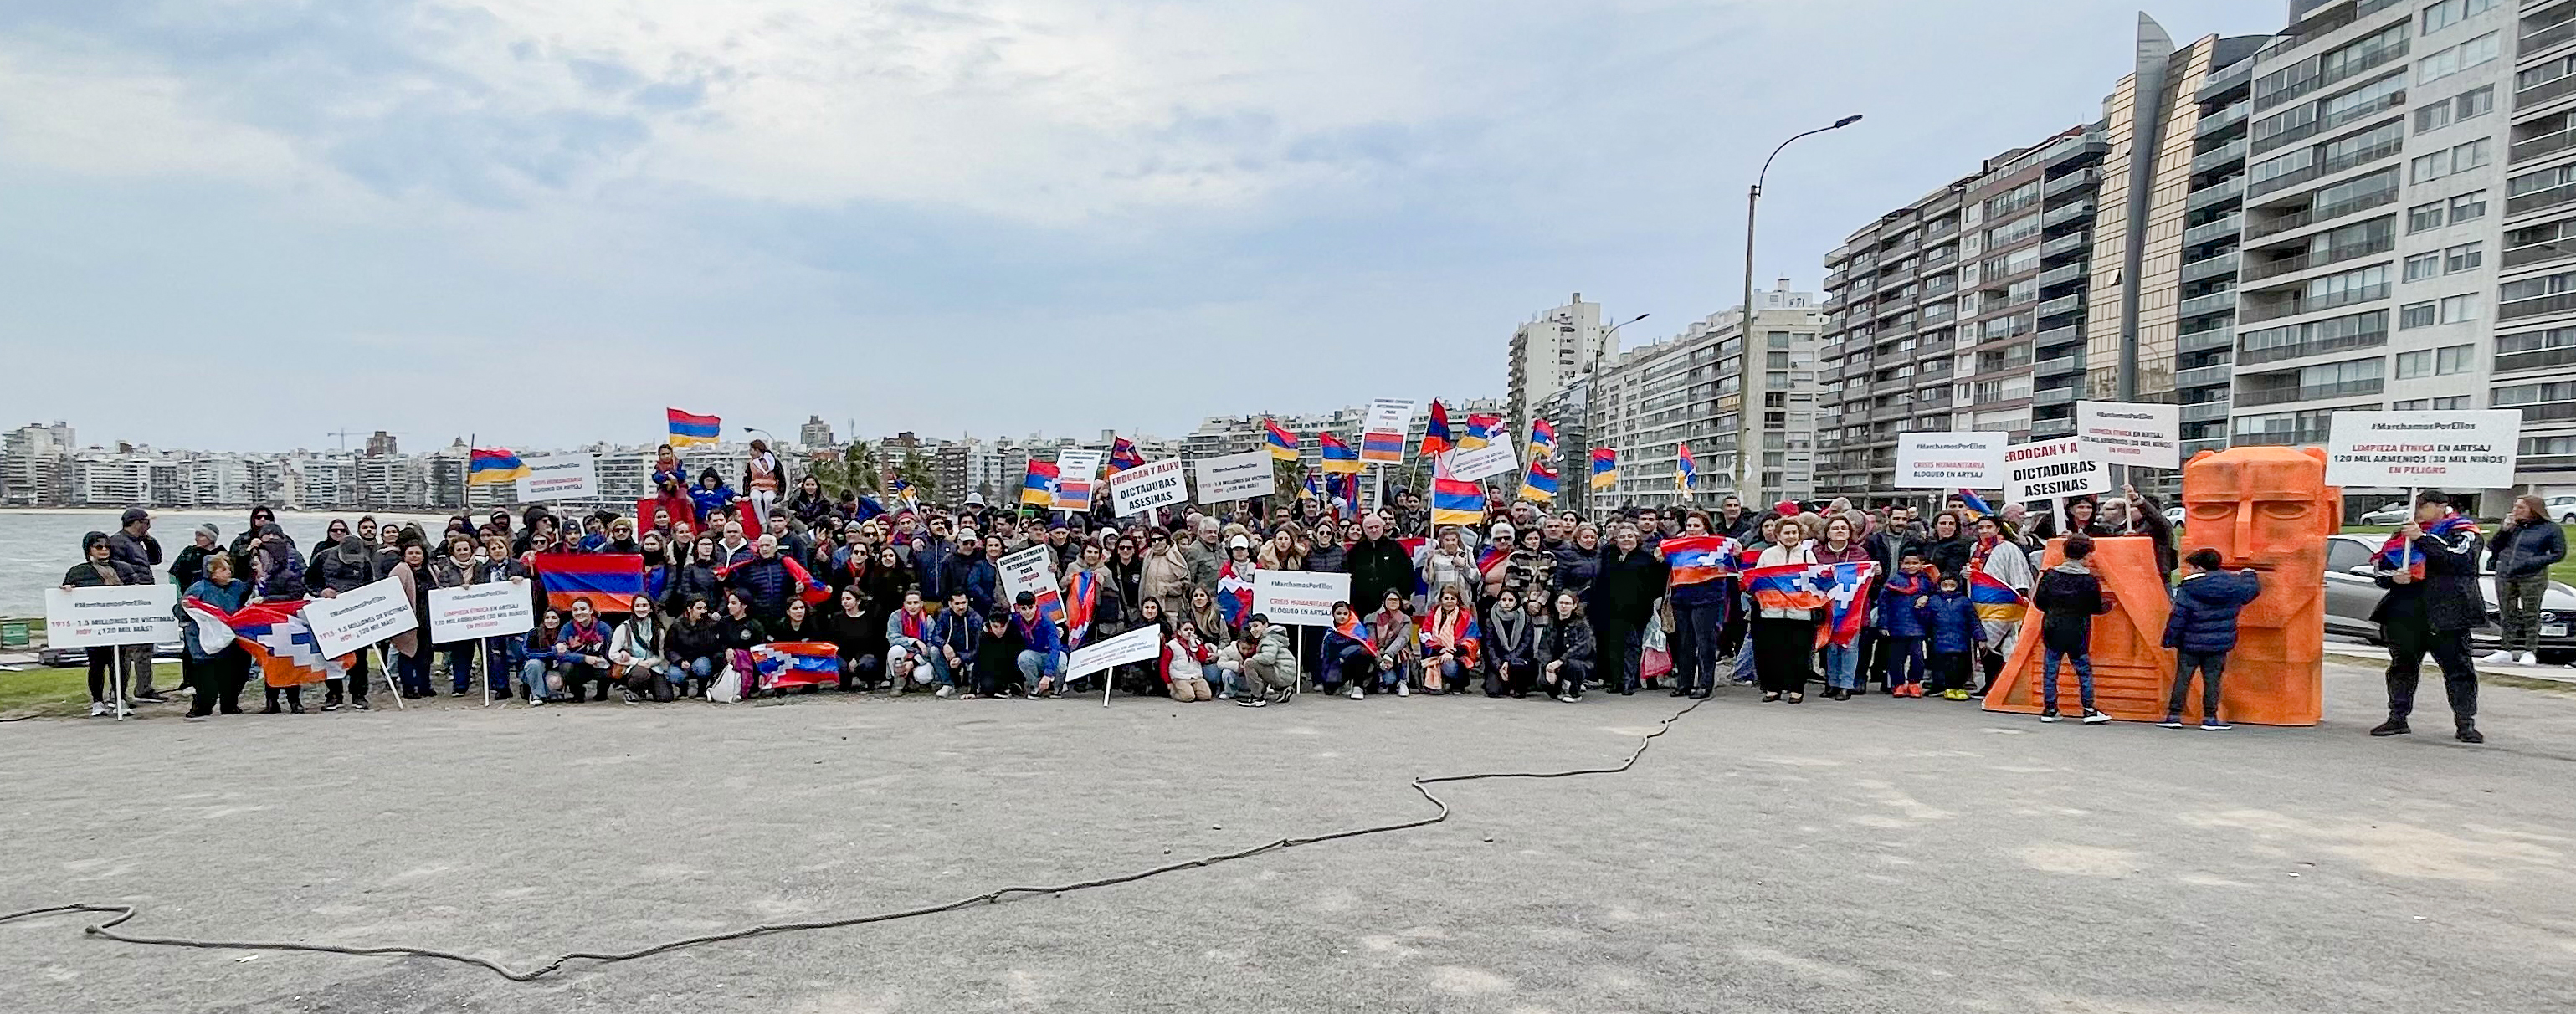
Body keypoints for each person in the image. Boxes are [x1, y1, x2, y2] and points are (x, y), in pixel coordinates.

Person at [2369, 492, 2486, 743]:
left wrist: (2422, 539)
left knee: (2459, 669)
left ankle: (2465, 723)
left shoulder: (2463, 531)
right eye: (2415, 506)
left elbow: (2460, 560)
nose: (2417, 511)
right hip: (2406, 611)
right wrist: (2393, 577)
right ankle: (2397, 717)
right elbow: (2381, 568)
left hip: (2447, 613)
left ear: (2441, 507)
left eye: (2422, 506)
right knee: (2402, 667)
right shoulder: (2402, 534)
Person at [2158, 548, 2263, 730]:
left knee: (2183, 678)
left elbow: (2178, 617)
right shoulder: (2233, 585)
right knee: (2213, 680)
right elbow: (2250, 590)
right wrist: (2249, 574)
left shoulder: (2189, 588)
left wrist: (2169, 639)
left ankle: (2174, 715)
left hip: (2189, 643)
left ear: (2200, 568)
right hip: (2219, 643)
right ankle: (2210, 718)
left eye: (2192, 567)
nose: (2190, 571)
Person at [62, 531, 156, 714]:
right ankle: (97, 701)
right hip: (94, 626)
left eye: (107, 547)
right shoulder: (78, 571)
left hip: (119, 624)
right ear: (89, 550)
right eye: (99, 547)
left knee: (120, 663)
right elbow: (68, 595)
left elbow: (136, 590)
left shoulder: (124, 569)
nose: (104, 550)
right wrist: (67, 591)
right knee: (96, 663)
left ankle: (119, 698)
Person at [2031, 534, 2114, 724]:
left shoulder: (2050, 576)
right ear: (2086, 555)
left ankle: (2050, 709)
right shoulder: (2088, 580)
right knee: (2083, 670)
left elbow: (2039, 602)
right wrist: (2108, 606)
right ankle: (2089, 710)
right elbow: (2095, 607)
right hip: (2078, 630)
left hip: (2052, 628)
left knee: (2051, 670)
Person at [2486, 494, 2567, 666]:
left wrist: (2532, 562)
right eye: (2515, 507)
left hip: (2532, 575)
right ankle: (2505, 648)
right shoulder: (2513, 527)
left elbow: (2558, 553)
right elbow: (2493, 546)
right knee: (2507, 612)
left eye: (2521, 507)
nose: (2516, 510)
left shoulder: (2550, 529)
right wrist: (2504, 530)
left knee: (2531, 613)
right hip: (2506, 573)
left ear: (2533, 510)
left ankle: (2530, 650)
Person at [306, 529, 381, 710]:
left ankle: (359, 695)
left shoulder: (365, 562)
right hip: (330, 612)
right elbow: (309, 581)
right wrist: (321, 591)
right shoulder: (323, 558)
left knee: (360, 657)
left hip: (355, 613)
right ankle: (334, 695)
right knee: (331, 654)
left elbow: (370, 585)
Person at [177, 551, 254, 720]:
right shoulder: (199, 588)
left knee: (233, 676)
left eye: (229, 569)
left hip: (229, 640)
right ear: (213, 573)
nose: (228, 572)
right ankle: (201, 707)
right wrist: (187, 608)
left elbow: (248, 589)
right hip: (204, 643)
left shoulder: (236, 586)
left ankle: (230, 705)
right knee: (206, 680)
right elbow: (181, 611)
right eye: (223, 570)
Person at [1968, 515, 2035, 696]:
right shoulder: (1975, 549)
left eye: (1988, 527)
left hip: (2004, 603)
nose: (1984, 531)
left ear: (1998, 529)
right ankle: (1990, 684)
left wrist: (2021, 593)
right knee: (1983, 644)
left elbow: (2018, 572)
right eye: (1981, 527)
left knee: (1996, 644)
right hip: (1981, 603)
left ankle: (2000, 685)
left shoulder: (2009, 548)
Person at [1811, 516, 1872, 700]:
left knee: (1849, 646)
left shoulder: (1860, 554)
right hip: (1828, 606)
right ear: (1828, 533)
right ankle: (1832, 683)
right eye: (1835, 528)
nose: (1839, 531)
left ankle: (1846, 685)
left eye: (1843, 528)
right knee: (1831, 646)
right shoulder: (1817, 553)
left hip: (1852, 607)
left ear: (1849, 532)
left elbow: (1868, 580)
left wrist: (1876, 572)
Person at [425, 535, 487, 697]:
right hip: (460, 618)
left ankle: (493, 684)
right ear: (453, 552)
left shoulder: (481, 567)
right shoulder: (446, 571)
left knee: (487, 651)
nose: (463, 552)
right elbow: (443, 592)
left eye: (466, 549)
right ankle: (460, 686)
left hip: (482, 615)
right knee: (461, 653)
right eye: (459, 550)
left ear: (471, 550)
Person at [1916, 571, 1983, 700]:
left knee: (1960, 666)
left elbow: (1973, 620)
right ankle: (1945, 687)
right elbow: (1925, 619)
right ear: (1939, 586)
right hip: (1940, 640)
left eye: (1952, 585)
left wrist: (1980, 637)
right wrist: (1920, 609)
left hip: (1961, 640)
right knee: (1942, 666)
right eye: (1945, 585)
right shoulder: (1934, 600)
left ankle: (1959, 687)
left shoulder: (1964, 601)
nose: (1948, 589)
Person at [1875, 551, 1932, 698]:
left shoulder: (1926, 581)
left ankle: (1914, 682)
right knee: (1897, 657)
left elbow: (1935, 597)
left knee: (1918, 656)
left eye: (1915, 563)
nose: (1911, 566)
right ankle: (1898, 683)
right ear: (1901, 564)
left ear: (1921, 564)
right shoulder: (1894, 581)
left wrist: (1927, 598)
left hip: (1918, 625)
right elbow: (1884, 604)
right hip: (1897, 625)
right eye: (1907, 563)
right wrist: (1883, 624)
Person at [383, 542, 433, 699]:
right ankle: (409, 687)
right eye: (410, 553)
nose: (414, 556)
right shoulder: (400, 570)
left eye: (418, 553)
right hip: (408, 619)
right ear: (404, 555)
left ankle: (424, 686)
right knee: (407, 654)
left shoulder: (430, 570)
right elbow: (391, 594)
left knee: (425, 655)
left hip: (427, 619)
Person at [1345, 514, 1413, 622]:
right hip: (1363, 605)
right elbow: (1348, 576)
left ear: (1382, 527)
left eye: (1377, 527)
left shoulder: (1396, 548)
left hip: (1391, 603)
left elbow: (1407, 573)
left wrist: (1405, 596)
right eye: (1370, 527)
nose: (1374, 530)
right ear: (1364, 529)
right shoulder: (1355, 551)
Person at [1534, 590, 1596, 703]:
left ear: (1574, 606)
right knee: (1544, 683)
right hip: (1554, 663)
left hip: (1574, 662)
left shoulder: (1582, 625)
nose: (1563, 606)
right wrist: (1547, 667)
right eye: (1561, 603)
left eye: (1567, 603)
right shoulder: (1551, 623)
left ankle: (1574, 693)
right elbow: (1543, 648)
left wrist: (1561, 661)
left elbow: (1582, 648)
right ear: (1556, 604)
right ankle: (1561, 687)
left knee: (1574, 665)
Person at [1417, 585, 1480, 694]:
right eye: (1446, 598)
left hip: (1457, 655)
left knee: (1449, 666)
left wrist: (1452, 652)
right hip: (1437, 653)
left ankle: (1457, 683)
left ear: (1457, 600)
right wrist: (1440, 649)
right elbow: (1425, 635)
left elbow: (1472, 639)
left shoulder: (1466, 616)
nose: (1449, 601)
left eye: (1452, 598)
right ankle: (1440, 681)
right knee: (1440, 663)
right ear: (1441, 599)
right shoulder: (1432, 614)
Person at [612, 594, 674, 702]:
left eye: (644, 605)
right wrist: (637, 662)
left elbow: (661, 654)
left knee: (666, 697)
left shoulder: (658, 629)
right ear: (633, 608)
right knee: (642, 674)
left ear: (650, 608)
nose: (641, 609)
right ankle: (631, 689)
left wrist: (650, 662)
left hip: (652, 666)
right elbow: (613, 654)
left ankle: (647, 689)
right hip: (631, 667)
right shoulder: (624, 628)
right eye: (638, 606)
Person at [1480, 587, 1538, 698]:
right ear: (1499, 601)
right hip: (1498, 660)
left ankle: (1519, 686)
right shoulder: (1490, 619)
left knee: (1518, 668)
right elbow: (1489, 646)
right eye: (1504, 600)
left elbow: (1525, 645)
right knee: (1493, 691)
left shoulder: (1525, 619)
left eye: (1511, 600)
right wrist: (1499, 665)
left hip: (1518, 660)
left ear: (1516, 602)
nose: (1507, 603)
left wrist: (1508, 661)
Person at [1231, 613, 1299, 707]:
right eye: (1251, 627)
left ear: (1265, 625)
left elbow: (1269, 658)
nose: (1252, 630)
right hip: (1285, 674)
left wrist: (1254, 658)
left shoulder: (1268, 640)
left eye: (1256, 626)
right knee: (1258, 665)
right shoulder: (1272, 638)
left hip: (1281, 674)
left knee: (1249, 664)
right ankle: (1282, 690)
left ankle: (1257, 697)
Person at [714, 590, 771, 698]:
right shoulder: (724, 622)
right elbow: (718, 643)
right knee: (717, 656)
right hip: (728, 660)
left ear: (744, 605)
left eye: (733, 603)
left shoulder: (755, 625)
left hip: (748, 664)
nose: (729, 606)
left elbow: (761, 651)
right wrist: (727, 650)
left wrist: (761, 673)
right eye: (729, 603)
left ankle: (750, 684)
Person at [665, 597, 725, 698]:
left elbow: (713, 647)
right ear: (689, 609)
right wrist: (679, 660)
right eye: (699, 608)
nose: (702, 611)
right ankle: (683, 689)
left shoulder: (709, 624)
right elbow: (669, 648)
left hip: (700, 658)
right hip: (682, 659)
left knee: (702, 667)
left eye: (704, 608)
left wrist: (710, 626)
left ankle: (702, 689)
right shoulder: (677, 625)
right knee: (674, 675)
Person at [1365, 587, 1419, 696]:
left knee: (1404, 651)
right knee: (1389, 680)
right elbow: (1371, 642)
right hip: (1378, 653)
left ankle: (1403, 682)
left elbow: (1403, 638)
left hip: (1395, 652)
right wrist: (1380, 658)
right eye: (1390, 600)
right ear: (1384, 601)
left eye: (1396, 600)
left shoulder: (1405, 619)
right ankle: (1380, 681)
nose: (1393, 602)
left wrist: (1389, 654)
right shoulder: (1372, 618)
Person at [1009, 592, 1065, 696]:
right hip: (1035, 656)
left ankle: (1057, 687)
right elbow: (1000, 618)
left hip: (1049, 654)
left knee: (1061, 660)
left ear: (1036, 605)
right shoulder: (1016, 620)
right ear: (1018, 608)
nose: (1027, 612)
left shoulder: (1047, 622)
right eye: (1023, 609)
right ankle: (1035, 686)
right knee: (1023, 658)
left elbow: (1055, 648)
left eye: (1030, 607)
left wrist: (1048, 674)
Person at [1319, 601, 1378, 699]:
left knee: (1362, 653)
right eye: (1338, 613)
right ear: (1333, 615)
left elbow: (1369, 650)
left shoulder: (1357, 630)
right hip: (1335, 669)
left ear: (1350, 615)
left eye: (1345, 614)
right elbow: (1325, 658)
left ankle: (1358, 686)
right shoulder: (1330, 633)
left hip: (1355, 667)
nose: (1342, 616)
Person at [1162, 619, 1216, 701]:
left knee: (1206, 696)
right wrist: (1168, 682)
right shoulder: (1172, 645)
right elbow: (1164, 664)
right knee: (1188, 697)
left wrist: (1197, 647)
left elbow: (1203, 658)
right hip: (1180, 676)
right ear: (1179, 632)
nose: (1189, 632)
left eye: (1191, 630)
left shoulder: (1197, 643)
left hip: (1196, 675)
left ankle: (1193, 690)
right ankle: (1175, 692)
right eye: (1186, 630)